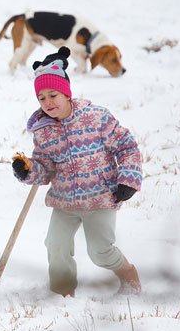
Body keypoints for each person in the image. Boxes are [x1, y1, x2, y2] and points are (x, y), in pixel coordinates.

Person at [11, 46, 143, 297]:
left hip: (100, 198)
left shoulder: (96, 118)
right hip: (65, 201)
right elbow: (45, 169)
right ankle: (63, 291)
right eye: (41, 98)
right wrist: (28, 170)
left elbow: (127, 147)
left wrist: (128, 179)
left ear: (66, 93)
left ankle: (127, 271)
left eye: (53, 95)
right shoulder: (44, 131)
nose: (47, 103)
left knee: (100, 251)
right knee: (56, 245)